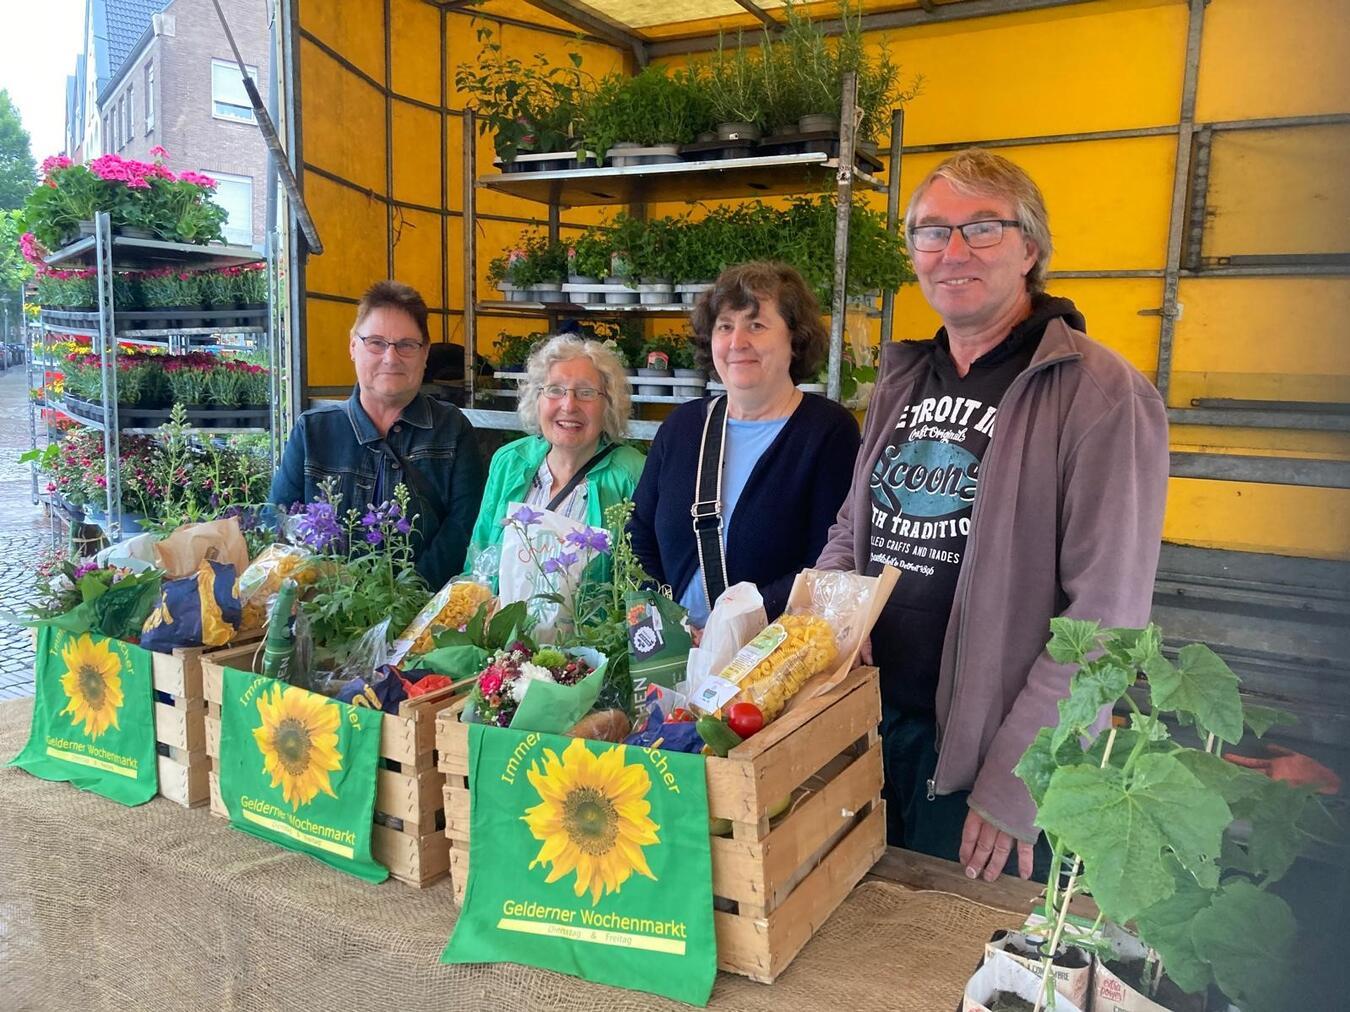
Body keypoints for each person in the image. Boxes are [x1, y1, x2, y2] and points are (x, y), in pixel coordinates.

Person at [816, 149, 1169, 882]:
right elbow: (853, 526)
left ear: (1029, 249)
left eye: (982, 228)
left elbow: (1106, 616)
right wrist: (834, 615)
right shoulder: (903, 379)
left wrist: (1020, 777)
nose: (953, 252)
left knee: (958, 945)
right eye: (931, 232)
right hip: (868, 725)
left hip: (980, 761)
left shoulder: (1101, 394)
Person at [631, 262, 860, 625]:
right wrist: (666, 625)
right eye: (725, 326)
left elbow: (826, 561)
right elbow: (637, 533)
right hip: (674, 645)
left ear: (795, 339)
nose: (737, 342)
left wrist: (732, 627)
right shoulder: (682, 427)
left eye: (756, 325)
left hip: (770, 646)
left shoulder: (827, 433)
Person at [270, 280, 485, 588]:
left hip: (423, 610)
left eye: (406, 345)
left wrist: (404, 597)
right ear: (353, 346)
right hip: (323, 606)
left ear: (425, 353)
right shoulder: (312, 432)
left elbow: (464, 529)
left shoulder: (452, 430)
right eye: (376, 343)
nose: (391, 358)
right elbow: (278, 527)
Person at [467, 334, 645, 577]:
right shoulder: (509, 461)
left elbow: (643, 579)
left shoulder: (635, 473)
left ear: (609, 405)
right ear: (537, 399)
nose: (569, 405)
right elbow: (477, 561)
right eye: (555, 390)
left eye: (586, 392)